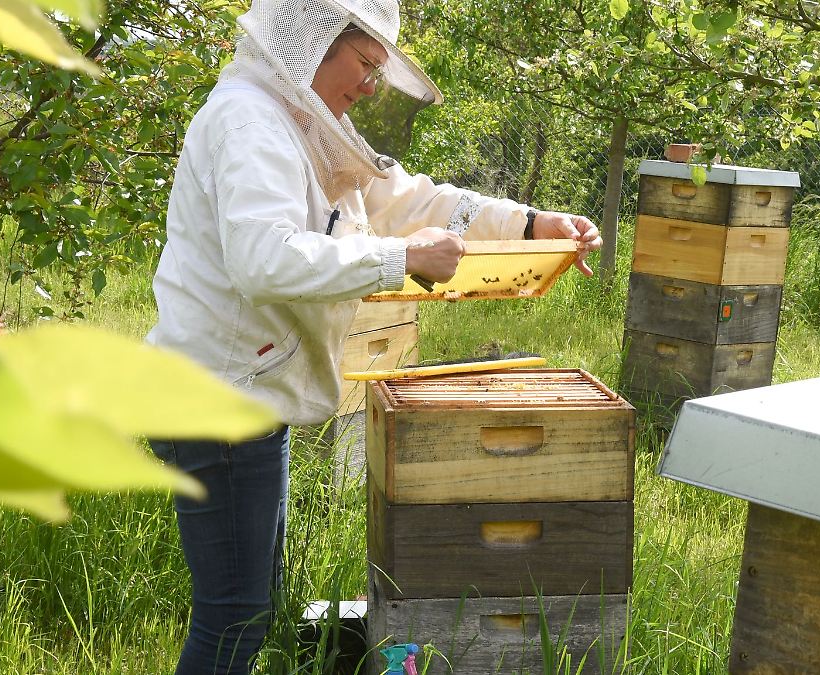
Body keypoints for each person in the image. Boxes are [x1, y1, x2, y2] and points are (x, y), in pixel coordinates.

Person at [145, 0, 601, 672]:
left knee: (246, 608)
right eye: (364, 64)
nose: (368, 86)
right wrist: (401, 258)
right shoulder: (250, 122)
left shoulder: (305, 125)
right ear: (312, 40)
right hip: (218, 400)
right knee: (232, 617)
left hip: (244, 392)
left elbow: (410, 200)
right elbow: (263, 258)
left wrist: (532, 223)